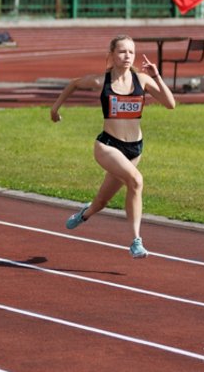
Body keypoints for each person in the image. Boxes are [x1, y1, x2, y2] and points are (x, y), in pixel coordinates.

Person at [50, 34, 176, 259]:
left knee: (102, 201)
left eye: (131, 52)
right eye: (122, 51)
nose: (127, 56)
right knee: (136, 180)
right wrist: (55, 109)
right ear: (111, 55)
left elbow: (170, 104)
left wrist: (156, 76)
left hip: (134, 148)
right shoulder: (102, 81)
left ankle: (85, 214)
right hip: (107, 145)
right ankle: (136, 241)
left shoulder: (142, 81)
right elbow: (74, 84)